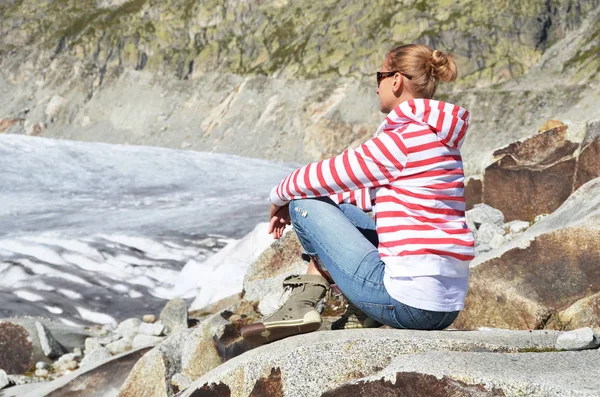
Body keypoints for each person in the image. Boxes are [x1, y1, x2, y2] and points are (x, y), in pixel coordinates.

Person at [241, 44, 475, 345]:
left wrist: (278, 199)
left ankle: (302, 304)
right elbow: (376, 195)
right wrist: (330, 211)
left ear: (396, 81)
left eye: (380, 76)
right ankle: (358, 312)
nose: (376, 86)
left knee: (303, 201)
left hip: (409, 304)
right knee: (342, 208)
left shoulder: (403, 139)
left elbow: (327, 174)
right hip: (446, 306)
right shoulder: (440, 139)